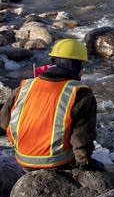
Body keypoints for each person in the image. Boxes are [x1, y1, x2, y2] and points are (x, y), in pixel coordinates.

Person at [0, 38, 102, 171]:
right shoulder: (81, 93)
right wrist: (85, 163)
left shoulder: (26, 86)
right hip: (57, 162)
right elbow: (81, 137)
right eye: (82, 66)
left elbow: (3, 122)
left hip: (22, 159)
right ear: (77, 65)